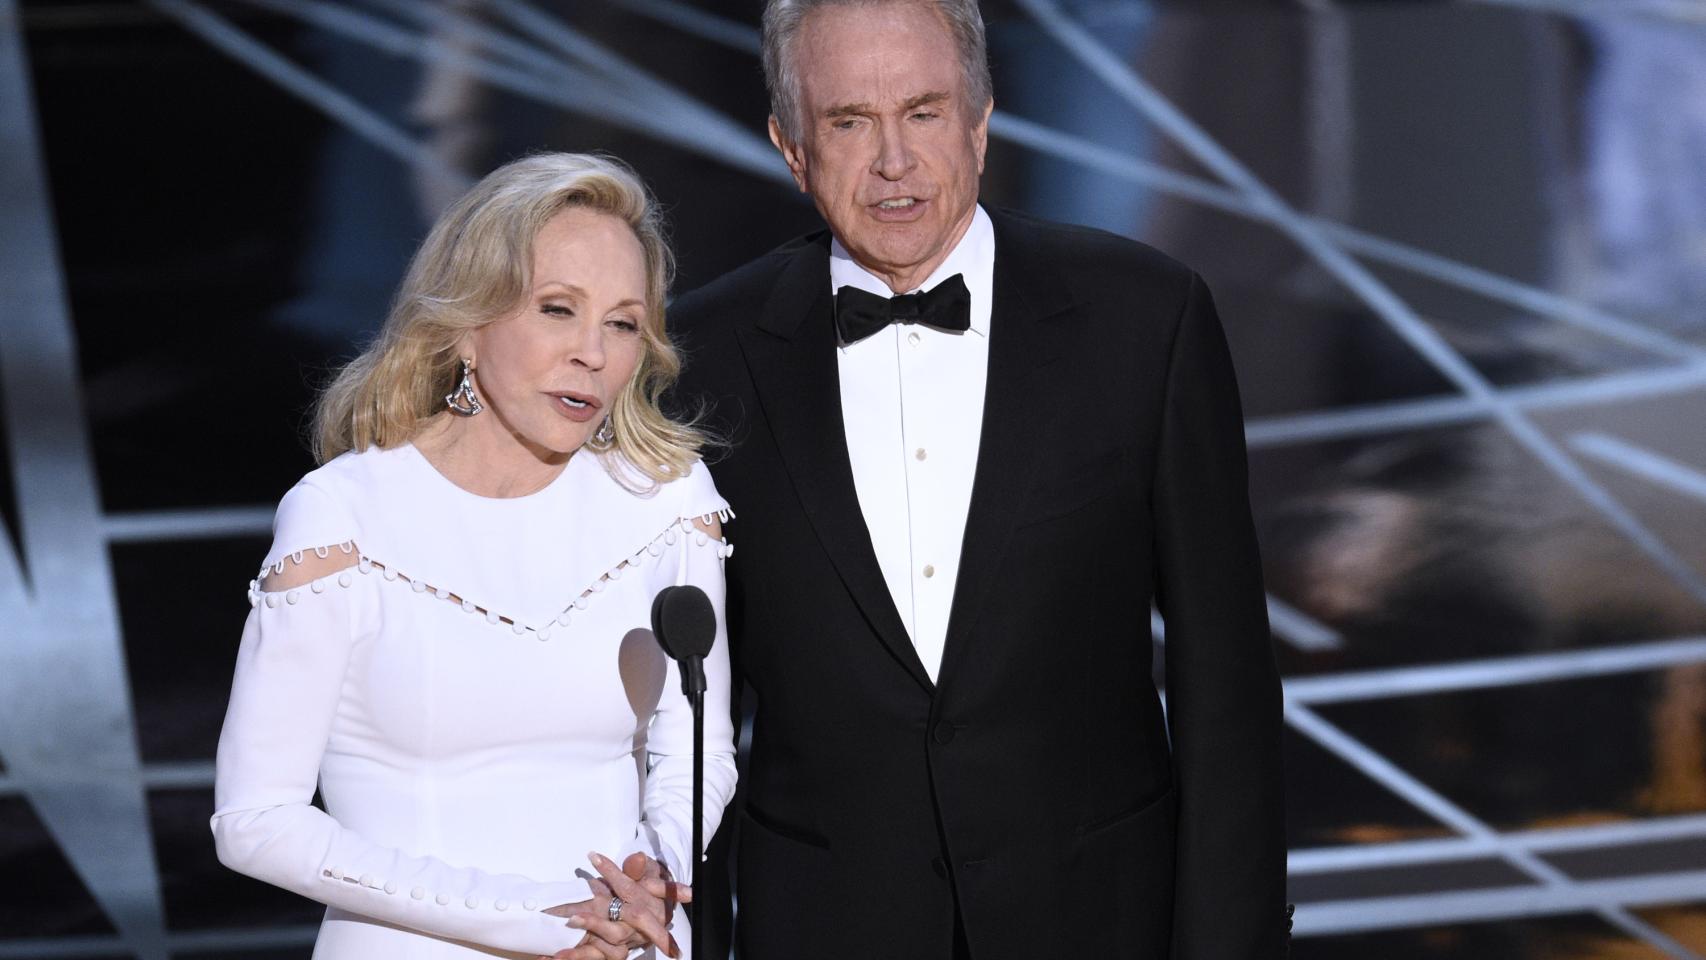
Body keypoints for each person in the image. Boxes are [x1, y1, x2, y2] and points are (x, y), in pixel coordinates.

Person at [668, 0, 1288, 957]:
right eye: (848, 123)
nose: (894, 162)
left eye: (923, 112)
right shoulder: (701, 358)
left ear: (981, 120)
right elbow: (688, 720)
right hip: (827, 929)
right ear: (790, 147)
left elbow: (1227, 682)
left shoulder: (1145, 319)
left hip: (1100, 920)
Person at [211, 153, 738, 960]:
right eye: (558, 310)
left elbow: (693, 752)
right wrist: (534, 916)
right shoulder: (343, 517)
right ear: (464, 323)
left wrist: (651, 879)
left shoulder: (668, 500)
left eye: (624, 322)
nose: (593, 354)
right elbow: (256, 821)